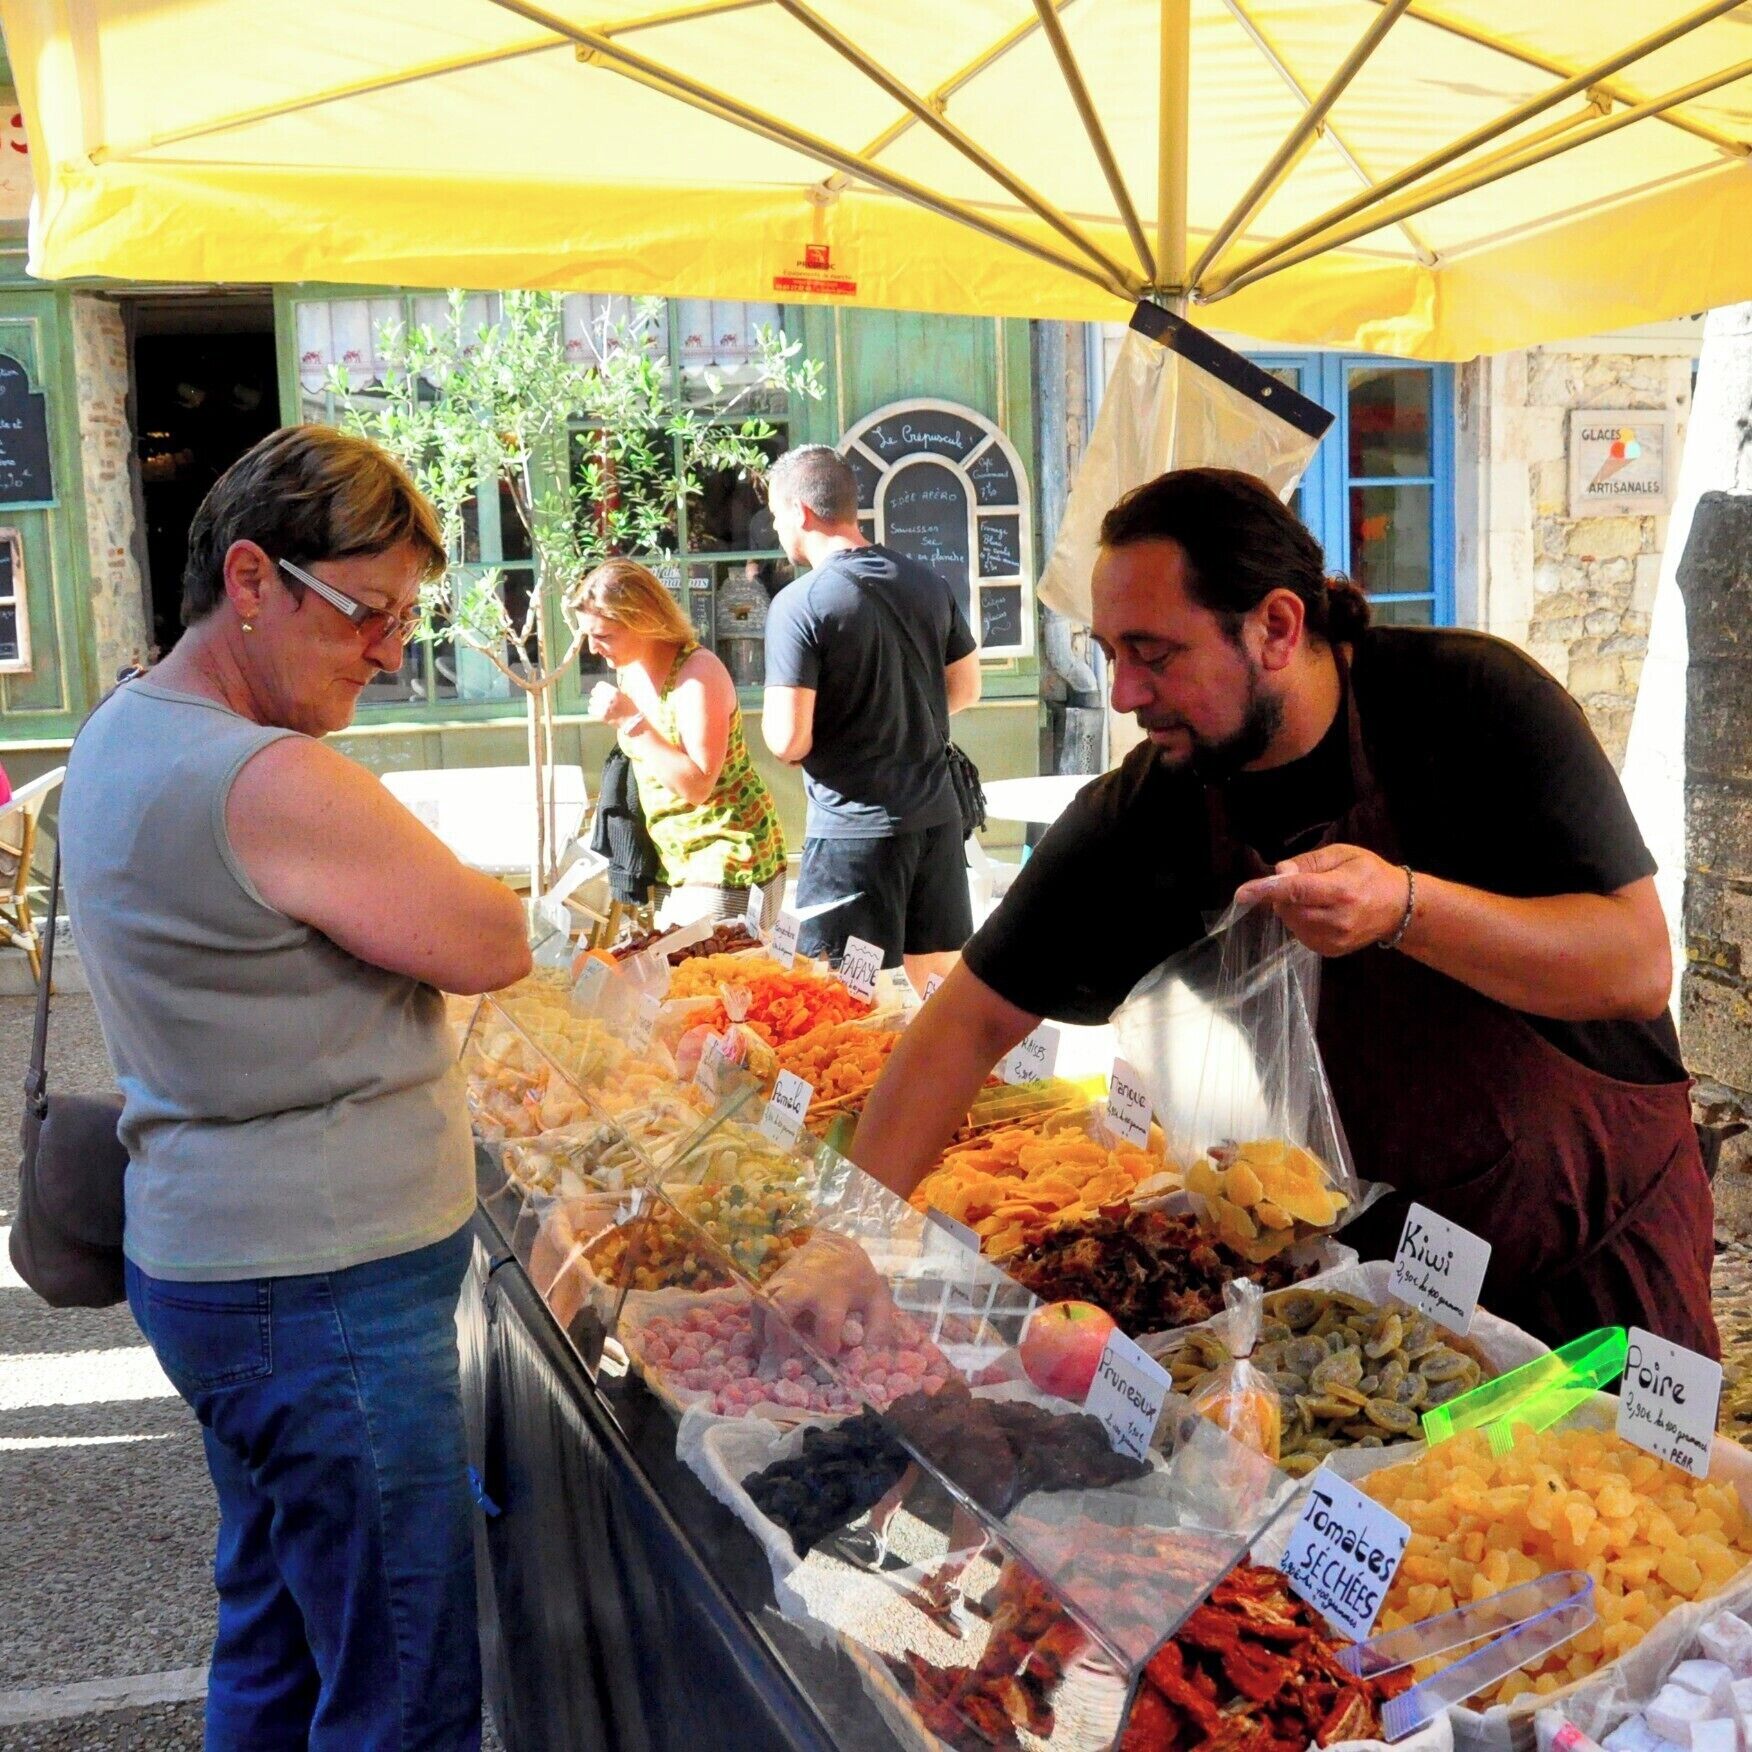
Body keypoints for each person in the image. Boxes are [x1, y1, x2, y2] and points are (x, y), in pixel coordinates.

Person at [770, 466, 1716, 1359]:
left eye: (1155, 655)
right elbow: (967, 1020)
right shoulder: (1155, 803)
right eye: (1110, 656)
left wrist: (1405, 907)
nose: (1128, 695)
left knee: (1631, 1523)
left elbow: (1634, 966)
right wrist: (847, 1240)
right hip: (1366, 1288)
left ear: (1274, 625)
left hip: (1593, 1256)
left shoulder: (1472, 705)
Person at [57, 425, 532, 1750]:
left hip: (227, 1263)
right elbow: (492, 939)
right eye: (367, 614)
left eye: (401, 619)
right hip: (316, 1285)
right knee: (399, 1686)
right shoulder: (261, 775)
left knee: (274, 1627)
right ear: (253, 580)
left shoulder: (127, 726)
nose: (388, 650)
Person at [761, 445, 982, 988]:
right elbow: (967, 689)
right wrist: (894, 721)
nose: (775, 529)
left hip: (853, 833)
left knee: (842, 993)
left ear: (800, 512)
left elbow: (787, 738)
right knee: (937, 984)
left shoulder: (799, 603)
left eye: (774, 516)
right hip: (936, 820)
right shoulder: (929, 582)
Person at [576, 557, 787, 930]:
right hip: (672, 861)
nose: (592, 649)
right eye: (587, 635)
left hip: (727, 856)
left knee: (715, 980)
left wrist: (631, 722)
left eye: (603, 636)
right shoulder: (630, 673)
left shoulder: (697, 674)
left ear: (644, 621)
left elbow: (698, 784)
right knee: (679, 982)